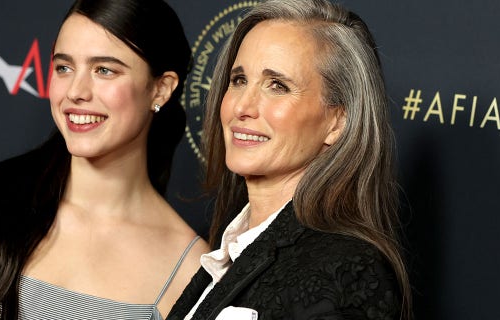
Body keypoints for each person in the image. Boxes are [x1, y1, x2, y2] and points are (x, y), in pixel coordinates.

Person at [0, 0, 209, 319]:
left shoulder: (190, 269)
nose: (76, 91)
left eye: (104, 70)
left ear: (161, 89)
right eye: (64, 67)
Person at [167, 0, 412, 319]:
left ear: (337, 122)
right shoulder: (234, 246)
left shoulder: (350, 269)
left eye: (277, 86)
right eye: (239, 80)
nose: (243, 106)